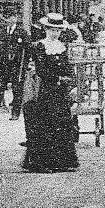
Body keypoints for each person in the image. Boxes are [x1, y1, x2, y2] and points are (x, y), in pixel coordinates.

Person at [22, 13, 80, 173]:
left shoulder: (61, 47)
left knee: (62, 123)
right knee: (46, 123)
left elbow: (68, 67)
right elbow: (41, 70)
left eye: (58, 31)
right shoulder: (40, 46)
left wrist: (71, 83)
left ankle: (62, 162)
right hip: (46, 90)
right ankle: (43, 163)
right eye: (52, 30)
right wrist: (58, 78)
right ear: (46, 29)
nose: (55, 33)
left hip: (60, 92)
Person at [0, 10, 29, 120]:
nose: (10, 19)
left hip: (16, 66)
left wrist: (24, 65)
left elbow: (27, 50)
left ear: (16, 18)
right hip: (3, 65)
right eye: (8, 17)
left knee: (17, 89)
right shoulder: (2, 32)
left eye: (12, 17)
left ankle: (15, 113)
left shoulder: (22, 32)